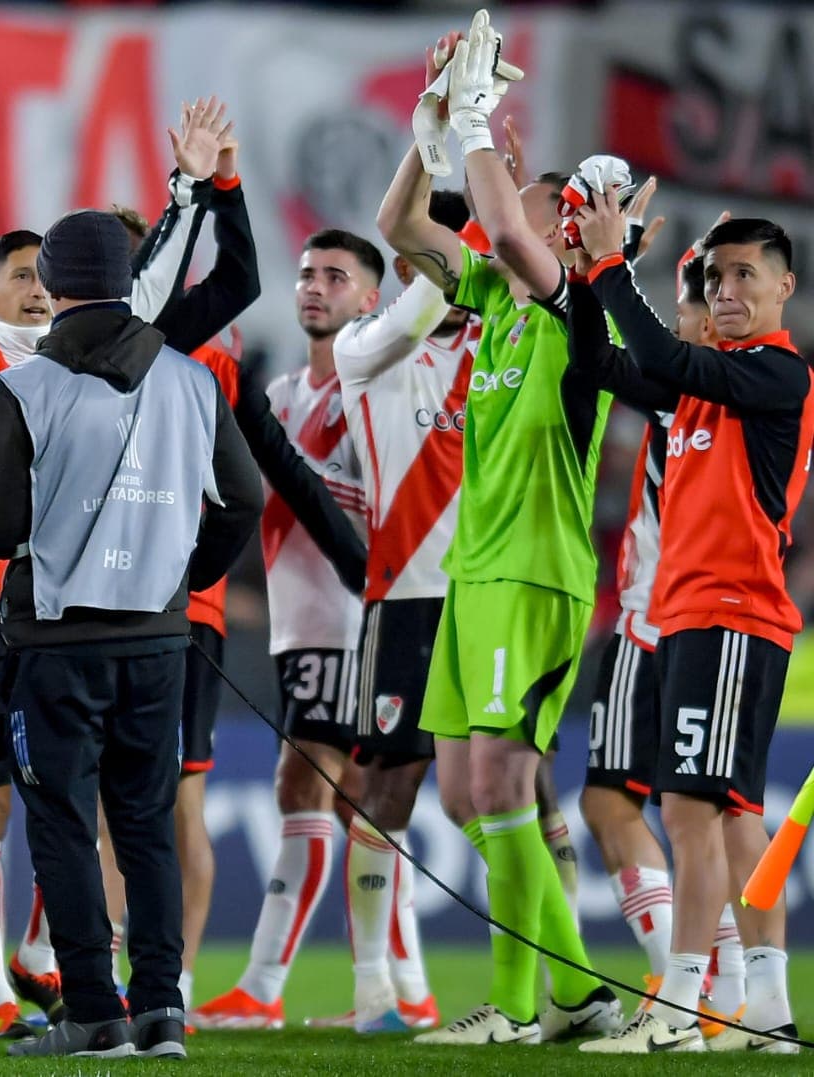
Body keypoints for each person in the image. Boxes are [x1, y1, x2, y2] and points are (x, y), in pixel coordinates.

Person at [0, 90, 218, 1037]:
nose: (36, 290)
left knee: (81, 814)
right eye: (18, 275)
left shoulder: (99, 363)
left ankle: (58, 974)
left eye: (46, 276)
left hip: (59, 622)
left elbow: (143, 282)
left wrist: (188, 191)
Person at [0, 208, 263, 1058]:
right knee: (145, 825)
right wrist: (186, 576)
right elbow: (244, 497)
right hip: (159, 639)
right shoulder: (191, 379)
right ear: (128, 279)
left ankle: (95, 1012)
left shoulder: (25, 384)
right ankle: (162, 1008)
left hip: (58, 643)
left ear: (54, 282)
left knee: (65, 826)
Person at [378, 16, 621, 1046]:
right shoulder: (496, 303)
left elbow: (510, 233)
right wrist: (431, 124)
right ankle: (568, 994)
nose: (514, 220)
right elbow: (399, 225)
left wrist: (477, 121)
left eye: (535, 211)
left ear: (561, 236)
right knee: (461, 795)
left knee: (496, 786)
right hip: (471, 577)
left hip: (534, 575)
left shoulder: (578, 314)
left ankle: (532, 1004)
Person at [570, 206, 809, 1054]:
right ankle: (768, 1009)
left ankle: (678, 1007)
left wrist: (612, 264)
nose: (726, 291)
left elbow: (665, 357)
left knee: (690, 809)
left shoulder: (778, 373)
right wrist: (582, 280)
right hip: (696, 616)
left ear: (784, 286)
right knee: (733, 814)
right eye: (715, 278)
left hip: (733, 613)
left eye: (745, 275)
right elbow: (601, 362)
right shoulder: (704, 388)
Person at [193, 228, 379, 1031]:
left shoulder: (375, 389)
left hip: (349, 616)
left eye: (337, 276)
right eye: (307, 274)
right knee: (352, 798)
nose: (315, 286)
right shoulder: (281, 394)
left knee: (314, 786)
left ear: (372, 298)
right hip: (300, 620)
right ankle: (390, 988)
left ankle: (271, 986)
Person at [328, 191, 479, 1034]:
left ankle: (551, 995)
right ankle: (374, 991)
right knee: (386, 788)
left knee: (523, 787)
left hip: (493, 600)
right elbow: (425, 306)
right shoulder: (365, 344)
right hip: (408, 600)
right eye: (432, 249)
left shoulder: (502, 348)